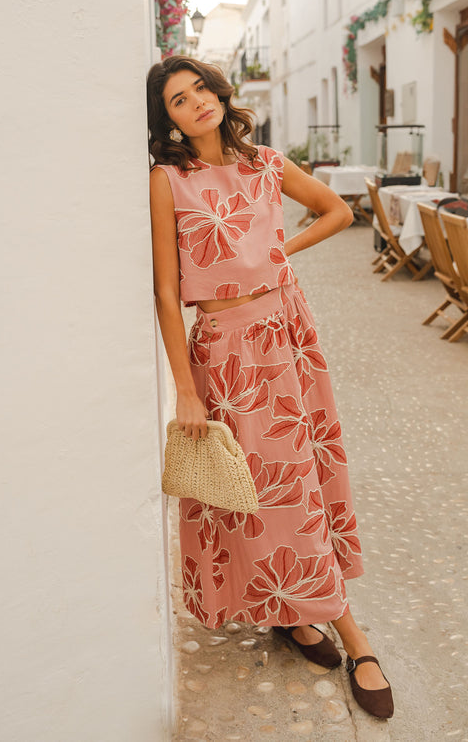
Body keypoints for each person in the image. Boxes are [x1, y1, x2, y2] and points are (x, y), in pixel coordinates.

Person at [147, 55, 394, 720]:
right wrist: (185, 389)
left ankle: (316, 618)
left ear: (220, 92)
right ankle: (334, 627)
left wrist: (280, 255)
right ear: (166, 120)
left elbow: (336, 211)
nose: (196, 102)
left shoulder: (264, 162)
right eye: (177, 99)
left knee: (305, 479)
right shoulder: (170, 179)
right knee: (262, 490)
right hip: (225, 352)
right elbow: (168, 296)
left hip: (288, 330)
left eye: (200, 87)